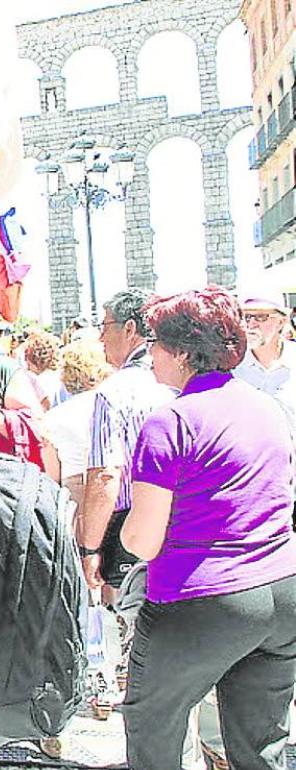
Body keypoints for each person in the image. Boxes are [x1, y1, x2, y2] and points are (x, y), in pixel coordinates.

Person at [120, 288, 296, 770]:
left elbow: (142, 539)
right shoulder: (266, 407)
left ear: (180, 351)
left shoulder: (171, 421)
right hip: (283, 589)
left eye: (153, 342)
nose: (148, 353)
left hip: (201, 597)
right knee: (262, 746)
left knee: (153, 728)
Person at [77, 288, 173, 595]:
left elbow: (106, 475)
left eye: (105, 327)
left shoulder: (115, 392)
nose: (101, 338)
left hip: (130, 535)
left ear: (129, 328)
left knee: (132, 629)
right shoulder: (181, 381)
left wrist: (90, 549)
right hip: (185, 524)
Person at [40, 339, 112, 511]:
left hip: (74, 502)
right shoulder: (114, 406)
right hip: (113, 495)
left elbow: (53, 477)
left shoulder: (52, 418)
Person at [234, 290, 296, 430]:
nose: (251, 324)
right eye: (246, 317)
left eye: (261, 317)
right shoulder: (231, 366)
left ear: (281, 322)